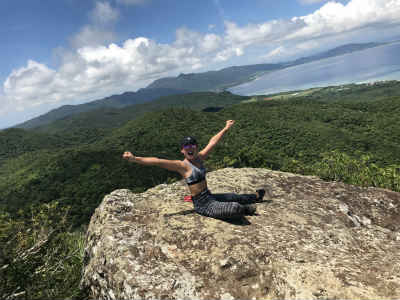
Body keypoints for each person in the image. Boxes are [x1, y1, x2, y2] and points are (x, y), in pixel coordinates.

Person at [122, 120, 265, 220]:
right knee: (235, 208)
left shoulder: (200, 157)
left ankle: (256, 197)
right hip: (203, 204)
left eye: (192, 145)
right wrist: (135, 159)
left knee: (234, 196)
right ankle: (246, 209)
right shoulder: (182, 166)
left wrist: (225, 128)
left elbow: (213, 142)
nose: (190, 148)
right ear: (182, 151)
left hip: (209, 196)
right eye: (186, 146)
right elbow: (157, 161)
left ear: (196, 147)